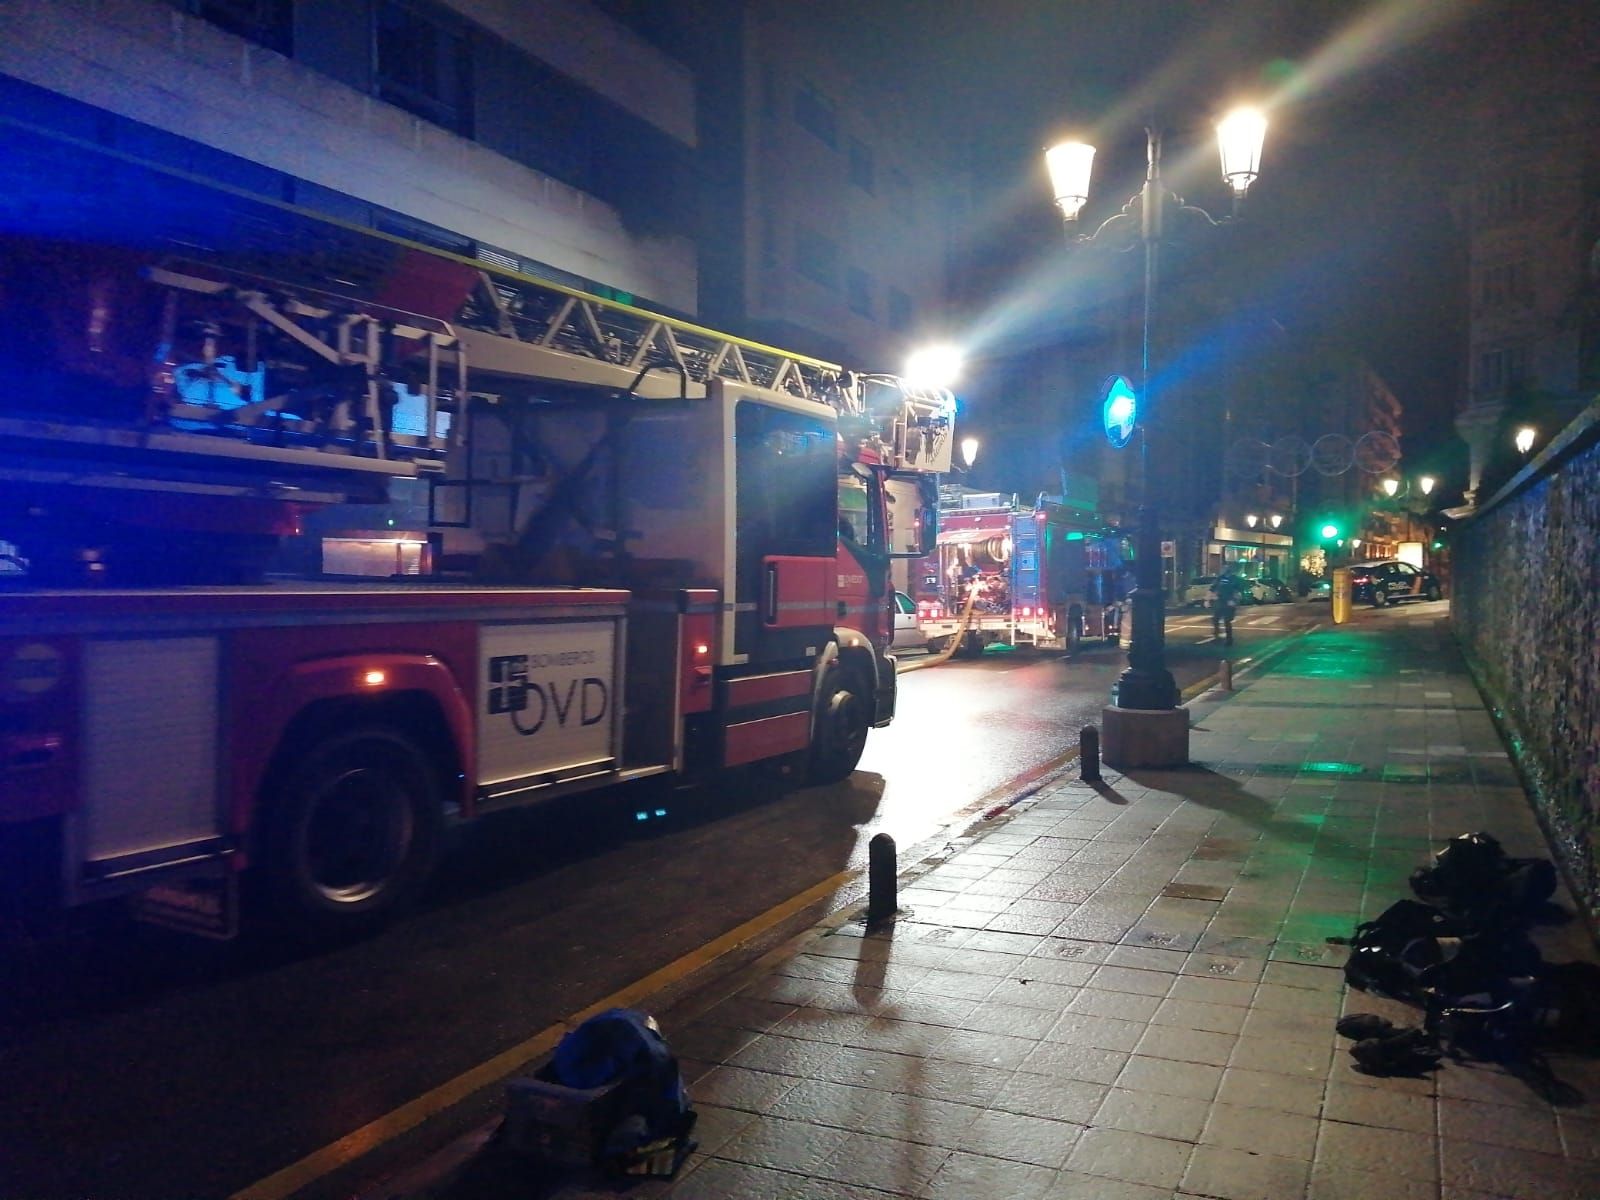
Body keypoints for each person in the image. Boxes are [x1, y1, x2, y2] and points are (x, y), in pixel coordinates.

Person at [1210, 570, 1240, 644]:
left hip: (1229, 602)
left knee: (1227, 621)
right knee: (1215, 619)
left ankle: (1229, 639)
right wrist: (1208, 598)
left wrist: (1234, 601)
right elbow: (1213, 588)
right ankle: (1216, 634)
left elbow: (1238, 591)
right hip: (1220, 601)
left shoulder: (1234, 579)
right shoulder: (1220, 578)